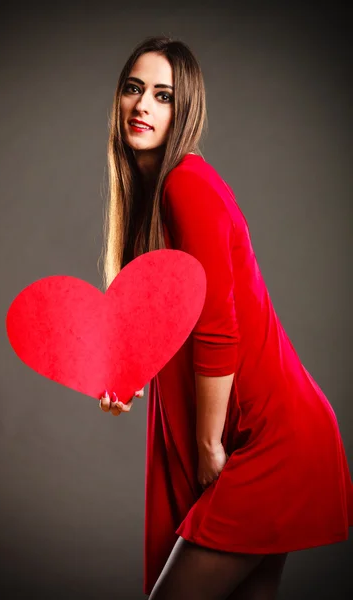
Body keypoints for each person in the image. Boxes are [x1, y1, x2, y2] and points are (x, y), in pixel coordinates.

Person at [97, 35, 353, 599]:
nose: (143, 106)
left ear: (184, 111)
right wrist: (129, 375)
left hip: (270, 442)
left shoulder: (186, 186)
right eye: (134, 90)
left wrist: (211, 447)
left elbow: (218, 326)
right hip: (259, 438)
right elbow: (170, 318)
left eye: (163, 96)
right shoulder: (155, 199)